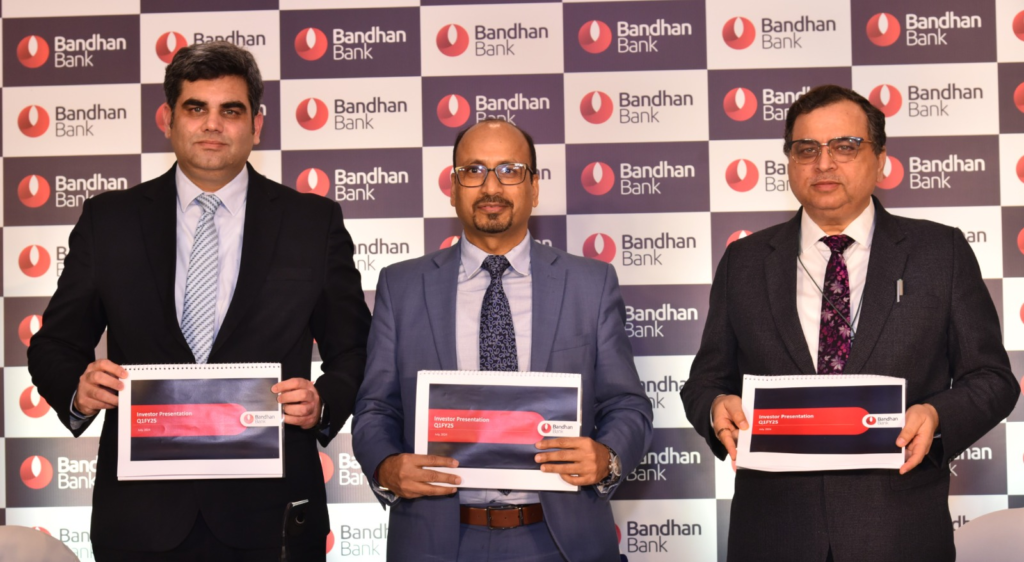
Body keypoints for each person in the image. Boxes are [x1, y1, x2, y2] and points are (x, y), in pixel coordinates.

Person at [28, 41, 371, 561]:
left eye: (230, 111)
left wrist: (323, 403)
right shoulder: (110, 221)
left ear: (256, 125)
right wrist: (79, 388)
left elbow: (355, 351)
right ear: (168, 119)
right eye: (196, 108)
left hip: (273, 516)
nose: (213, 125)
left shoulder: (312, 223)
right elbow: (53, 344)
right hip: (141, 518)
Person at [681, 84, 1019, 562]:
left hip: (899, 533)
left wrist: (937, 416)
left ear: (880, 159)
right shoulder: (745, 261)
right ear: (789, 162)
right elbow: (705, 381)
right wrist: (716, 406)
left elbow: (992, 379)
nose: (824, 163)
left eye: (845, 146)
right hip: (773, 535)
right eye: (806, 150)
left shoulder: (939, 253)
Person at [352, 119, 653, 562]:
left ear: (534, 187)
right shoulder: (402, 285)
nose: (491, 186)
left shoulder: (591, 284)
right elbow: (376, 408)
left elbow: (628, 405)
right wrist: (385, 467)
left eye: (509, 170)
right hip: (438, 541)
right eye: (473, 171)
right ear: (453, 187)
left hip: (560, 541)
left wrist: (606, 458)